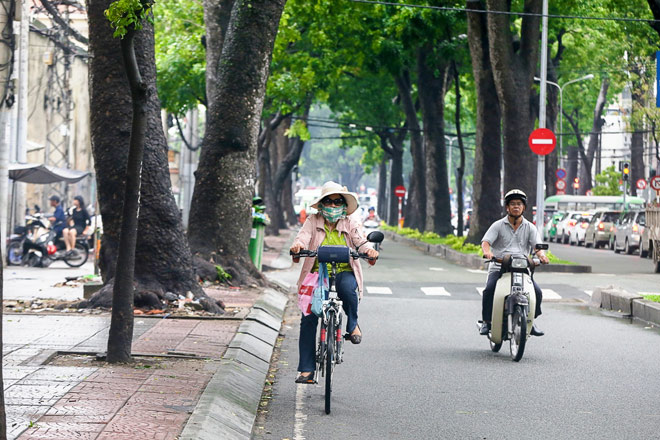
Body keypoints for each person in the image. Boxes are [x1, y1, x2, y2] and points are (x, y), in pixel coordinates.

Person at [289, 181, 379, 384]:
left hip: (344, 271)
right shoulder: (312, 220)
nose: (332, 206)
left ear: (344, 205)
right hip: (316, 273)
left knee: (348, 290)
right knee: (309, 316)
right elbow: (302, 238)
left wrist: (369, 251)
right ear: (321, 205)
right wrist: (297, 247)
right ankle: (306, 369)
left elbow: (360, 241)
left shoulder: (350, 222)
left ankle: (353, 325)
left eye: (337, 202)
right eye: (328, 202)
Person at [479, 189, 549, 337]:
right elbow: (486, 242)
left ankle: (530, 321)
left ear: (524, 207)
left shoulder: (530, 227)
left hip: (522, 268)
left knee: (537, 292)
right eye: (512, 204)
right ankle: (486, 322)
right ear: (507, 207)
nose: (516, 207)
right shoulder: (498, 225)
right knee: (489, 290)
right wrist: (488, 252)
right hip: (499, 265)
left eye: (519, 204)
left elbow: (537, 247)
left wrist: (542, 256)